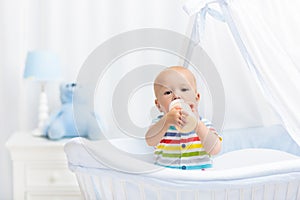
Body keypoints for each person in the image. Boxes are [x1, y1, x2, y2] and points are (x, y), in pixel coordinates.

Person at [145, 66, 222, 170]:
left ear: (197, 98)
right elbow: (150, 141)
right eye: (168, 92)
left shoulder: (204, 124)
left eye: (184, 89)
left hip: (199, 181)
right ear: (158, 105)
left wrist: (197, 124)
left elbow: (215, 149)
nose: (176, 96)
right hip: (169, 181)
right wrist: (166, 121)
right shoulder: (160, 123)